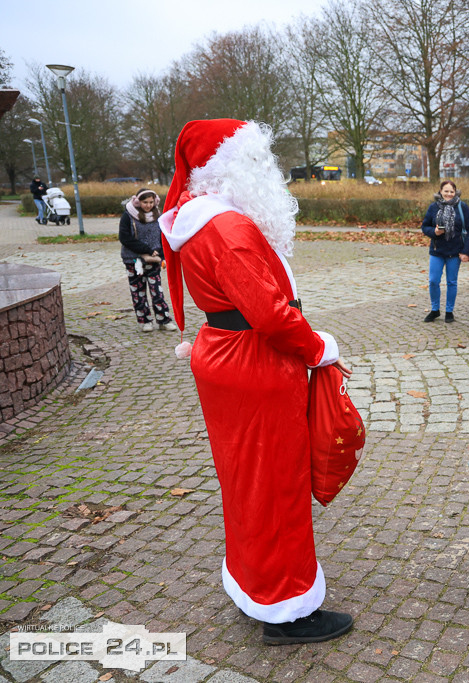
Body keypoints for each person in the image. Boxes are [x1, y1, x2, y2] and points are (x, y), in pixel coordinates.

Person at [159, 119, 353, 645]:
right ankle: (286, 608)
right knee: (275, 485)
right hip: (256, 365)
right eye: (254, 160)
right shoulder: (229, 229)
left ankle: (257, 583)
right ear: (226, 168)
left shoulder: (199, 224)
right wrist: (318, 348)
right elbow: (269, 315)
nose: (265, 170)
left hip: (229, 357)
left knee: (246, 482)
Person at [118, 189, 175, 333]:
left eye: (151, 202)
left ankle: (164, 320)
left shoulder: (158, 216)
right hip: (133, 259)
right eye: (145, 202)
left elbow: (163, 236)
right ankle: (144, 321)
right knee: (138, 291)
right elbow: (125, 238)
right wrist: (146, 250)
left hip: (154, 260)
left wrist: (161, 254)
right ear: (138, 202)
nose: (148, 205)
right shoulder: (128, 216)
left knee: (157, 291)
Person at [420, 180, 469, 322]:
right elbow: (424, 227)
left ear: (455, 192)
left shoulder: (462, 207)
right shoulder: (433, 207)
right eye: (446, 191)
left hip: (455, 252)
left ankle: (449, 311)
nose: (449, 194)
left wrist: (466, 251)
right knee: (433, 281)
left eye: (451, 191)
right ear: (440, 192)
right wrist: (434, 232)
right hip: (437, 251)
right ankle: (435, 309)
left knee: (452, 282)